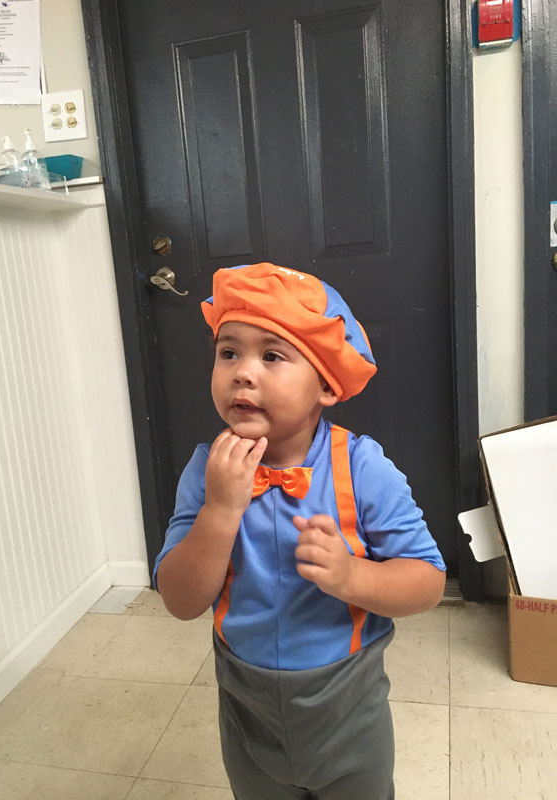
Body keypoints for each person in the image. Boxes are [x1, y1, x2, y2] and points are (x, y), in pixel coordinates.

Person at [154, 262, 446, 800]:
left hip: (346, 703)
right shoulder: (207, 469)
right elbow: (179, 599)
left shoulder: (362, 470)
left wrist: (353, 576)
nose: (243, 372)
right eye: (228, 352)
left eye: (272, 355)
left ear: (327, 386)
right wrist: (220, 510)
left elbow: (427, 581)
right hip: (247, 704)